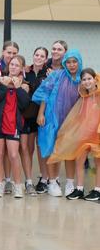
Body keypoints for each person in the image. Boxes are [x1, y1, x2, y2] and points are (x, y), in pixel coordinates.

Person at [32, 49, 83, 197]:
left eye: (74, 62)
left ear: (79, 62)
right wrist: (41, 113)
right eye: (68, 62)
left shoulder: (83, 79)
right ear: (64, 63)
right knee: (52, 150)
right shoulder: (56, 76)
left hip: (73, 122)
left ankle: (69, 183)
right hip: (53, 118)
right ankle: (52, 182)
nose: (72, 65)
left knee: (70, 153)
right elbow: (44, 94)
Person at [47, 68, 100, 201]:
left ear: (95, 79)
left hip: (97, 134)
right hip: (84, 134)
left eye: (89, 79)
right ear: (81, 82)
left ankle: (97, 190)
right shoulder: (83, 97)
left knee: (98, 162)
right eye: (84, 79)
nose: (87, 82)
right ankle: (79, 189)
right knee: (79, 160)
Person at [0, 55, 30, 198]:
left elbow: (25, 105)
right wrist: (5, 86)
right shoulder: (0, 82)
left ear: (21, 68)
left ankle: (18, 186)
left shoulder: (24, 84)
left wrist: (17, 88)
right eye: (12, 64)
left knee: (13, 155)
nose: (13, 67)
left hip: (13, 124)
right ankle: (0, 185)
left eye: (17, 65)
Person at [21, 47, 49, 195]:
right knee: (28, 149)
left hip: (43, 116)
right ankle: (29, 181)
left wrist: (42, 113)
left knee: (42, 148)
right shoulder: (25, 71)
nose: (38, 57)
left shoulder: (48, 73)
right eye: (36, 54)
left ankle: (45, 179)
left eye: (42, 56)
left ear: (46, 59)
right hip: (28, 116)